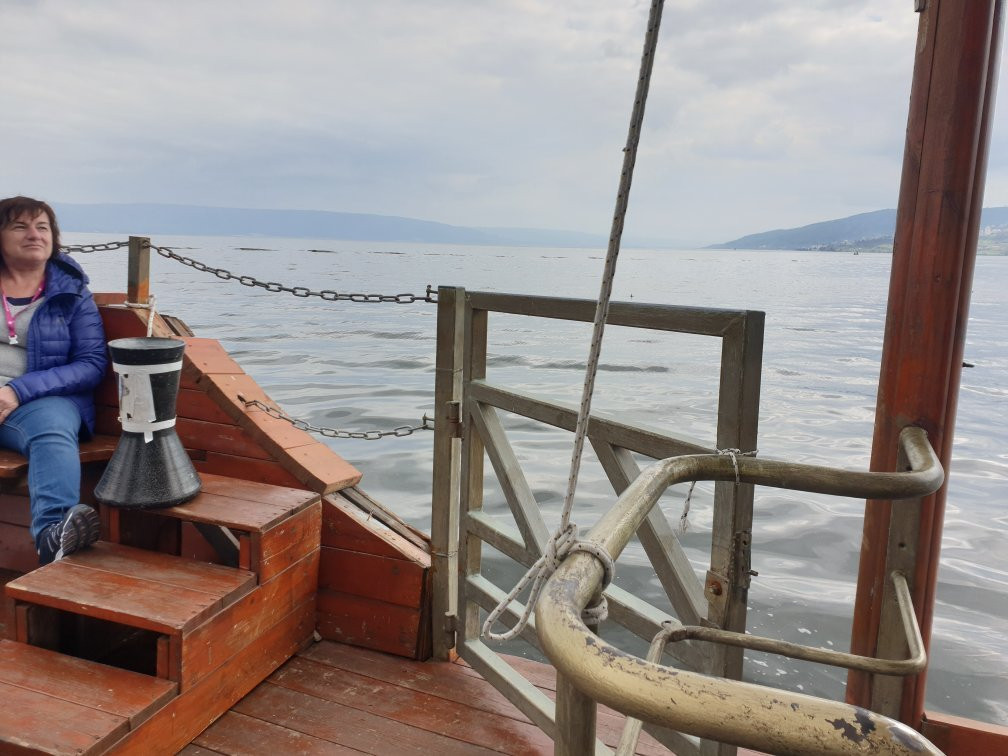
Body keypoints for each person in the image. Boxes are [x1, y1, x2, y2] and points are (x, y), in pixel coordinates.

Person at [0, 196, 107, 565]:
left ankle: (52, 535)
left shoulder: (71, 291)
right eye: (20, 226)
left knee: (51, 427)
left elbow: (92, 363)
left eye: (42, 227)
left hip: (40, 402)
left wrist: (17, 390)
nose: (34, 234)